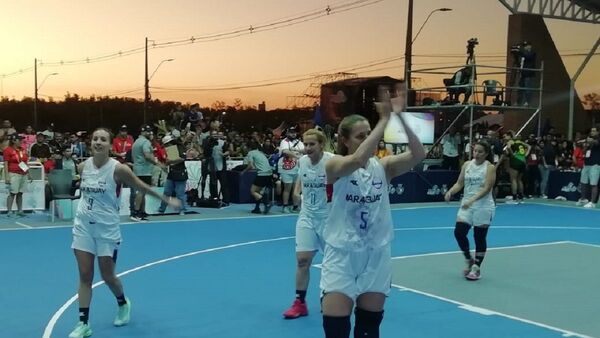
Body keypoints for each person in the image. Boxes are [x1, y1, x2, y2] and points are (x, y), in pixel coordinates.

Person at [320, 84, 426, 338]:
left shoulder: (384, 167)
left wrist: (399, 116)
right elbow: (357, 160)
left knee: (368, 329)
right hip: (342, 254)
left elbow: (419, 153)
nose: (369, 139)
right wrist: (384, 120)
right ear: (344, 140)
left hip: (376, 253)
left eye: (369, 134)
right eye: (360, 136)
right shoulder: (334, 165)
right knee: (336, 329)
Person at [68, 128, 180, 338]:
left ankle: (123, 302)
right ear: (91, 143)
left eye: (103, 139)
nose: (98, 142)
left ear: (111, 145)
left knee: (107, 275)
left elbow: (141, 186)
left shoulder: (118, 169)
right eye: (95, 139)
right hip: (83, 226)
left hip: (107, 229)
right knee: (85, 275)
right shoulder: (83, 167)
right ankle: (83, 323)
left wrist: (165, 200)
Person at [282, 128, 334, 319]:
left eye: (312, 144)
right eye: (306, 144)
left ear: (321, 145)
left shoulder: (332, 162)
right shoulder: (303, 161)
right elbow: (300, 177)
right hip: (307, 216)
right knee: (303, 260)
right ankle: (299, 302)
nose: (308, 148)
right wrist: (296, 190)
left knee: (331, 263)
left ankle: (328, 297)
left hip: (329, 219)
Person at [444, 140, 496, 281]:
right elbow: (460, 183)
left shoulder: (489, 168)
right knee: (459, 232)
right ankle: (469, 259)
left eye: (480, 152)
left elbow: (486, 189)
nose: (477, 154)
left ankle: (476, 268)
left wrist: (472, 200)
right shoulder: (467, 165)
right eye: (475, 151)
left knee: (479, 237)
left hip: (483, 207)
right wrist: (450, 191)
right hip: (467, 205)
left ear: (486, 154)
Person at [131, 125, 165, 221]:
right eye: (148, 131)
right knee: (141, 191)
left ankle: (142, 211)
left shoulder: (136, 142)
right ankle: (136, 212)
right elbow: (147, 156)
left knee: (143, 191)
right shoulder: (145, 142)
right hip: (144, 170)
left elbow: (134, 158)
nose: (150, 133)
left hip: (138, 169)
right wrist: (158, 164)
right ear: (143, 132)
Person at [157, 134, 188, 214]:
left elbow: (182, 159)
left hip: (180, 173)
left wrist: (171, 161)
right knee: (166, 192)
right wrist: (167, 163)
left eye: (166, 144)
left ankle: (182, 209)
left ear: (170, 142)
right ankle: (161, 209)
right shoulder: (170, 149)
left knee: (179, 193)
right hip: (172, 173)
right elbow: (169, 161)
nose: (166, 146)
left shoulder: (180, 148)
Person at [3, 134, 31, 217]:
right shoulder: (7, 150)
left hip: (23, 174)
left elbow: (23, 163)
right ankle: (9, 211)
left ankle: (20, 210)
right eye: (19, 140)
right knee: (12, 193)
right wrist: (7, 176)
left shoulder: (22, 150)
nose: (21, 141)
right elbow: (5, 164)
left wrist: (28, 173)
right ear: (13, 141)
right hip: (13, 174)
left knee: (20, 193)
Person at [278, 125, 304, 213]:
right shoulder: (284, 141)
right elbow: (285, 151)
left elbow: (304, 150)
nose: (293, 134)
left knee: (296, 188)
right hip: (286, 168)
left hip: (298, 168)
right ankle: (285, 206)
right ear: (288, 133)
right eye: (291, 132)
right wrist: (296, 155)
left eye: (294, 132)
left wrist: (298, 152)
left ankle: (295, 206)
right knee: (287, 188)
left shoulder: (299, 142)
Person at [243, 140, 273, 214]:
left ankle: (266, 203)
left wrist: (243, 171)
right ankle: (257, 208)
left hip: (262, 174)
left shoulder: (250, 153)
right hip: (269, 174)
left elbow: (251, 166)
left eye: (245, 146)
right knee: (258, 192)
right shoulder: (260, 152)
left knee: (253, 191)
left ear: (248, 147)